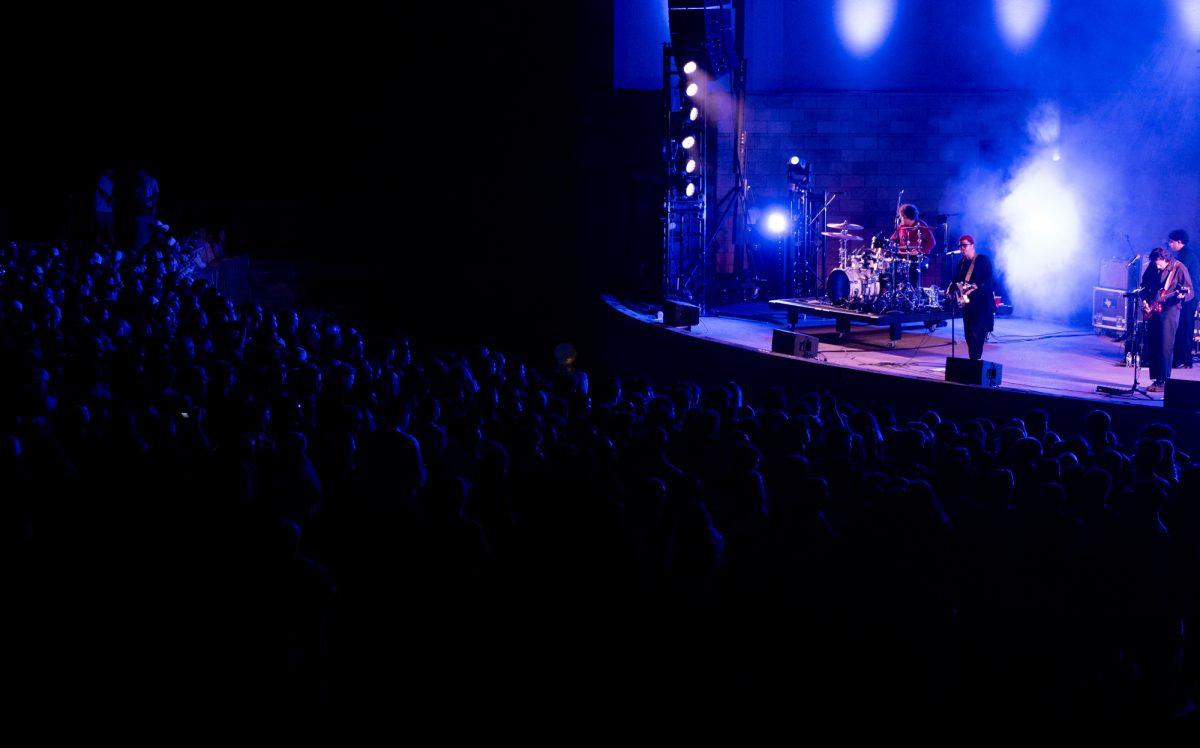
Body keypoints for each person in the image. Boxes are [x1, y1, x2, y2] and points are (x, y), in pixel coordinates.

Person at [1141, 247, 1194, 392]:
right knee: (1154, 343)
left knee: (1165, 345)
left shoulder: (1179, 268)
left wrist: (1182, 296)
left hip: (1170, 310)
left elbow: (1190, 292)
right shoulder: (1153, 265)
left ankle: (1163, 381)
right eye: (1155, 264)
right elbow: (1144, 286)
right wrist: (1145, 300)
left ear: (1166, 259)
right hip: (1153, 307)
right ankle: (1156, 379)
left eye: (1159, 264)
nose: (1157, 267)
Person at [947, 234, 993, 361]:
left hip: (981, 302)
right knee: (968, 333)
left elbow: (988, 279)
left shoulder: (982, 260)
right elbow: (957, 278)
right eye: (960, 246)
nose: (962, 248)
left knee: (977, 333)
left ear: (972, 245)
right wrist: (950, 288)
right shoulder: (961, 262)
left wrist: (975, 286)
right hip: (968, 303)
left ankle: (976, 360)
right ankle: (973, 359)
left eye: (965, 245)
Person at [1168, 230, 1198, 368]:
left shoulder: (1187, 256)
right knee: (1182, 326)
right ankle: (1181, 358)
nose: (1170, 244)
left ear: (1179, 241)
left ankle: (1185, 359)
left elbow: (1179, 275)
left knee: (1185, 326)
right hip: (1186, 294)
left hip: (1189, 296)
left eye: (1172, 241)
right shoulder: (1183, 254)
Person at [95, 168, 115, 246]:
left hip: (109, 209)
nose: (113, 172)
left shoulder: (111, 182)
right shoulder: (101, 179)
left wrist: (112, 200)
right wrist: (109, 199)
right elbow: (101, 191)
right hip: (100, 208)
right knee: (100, 229)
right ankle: (97, 245)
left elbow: (110, 194)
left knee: (110, 228)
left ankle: (113, 246)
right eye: (111, 170)